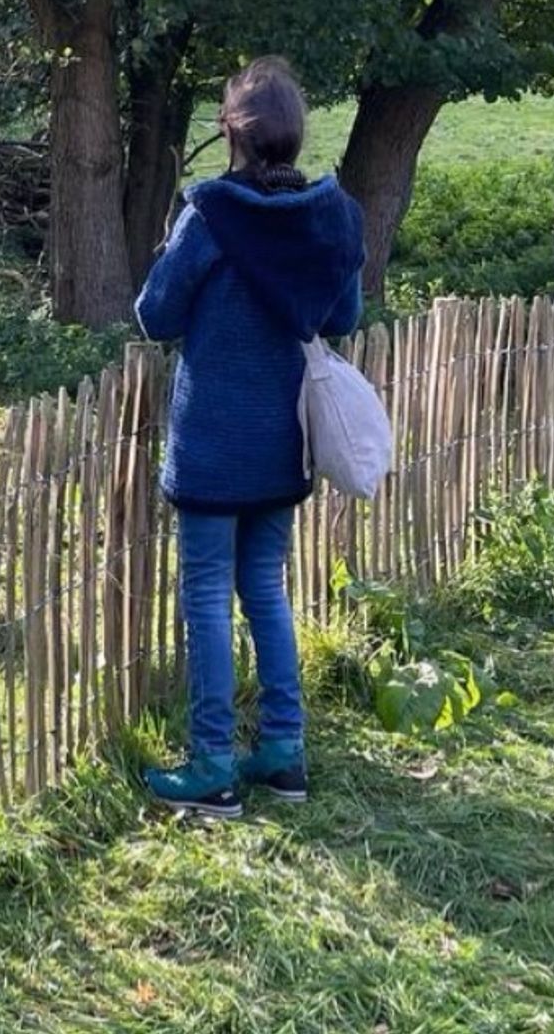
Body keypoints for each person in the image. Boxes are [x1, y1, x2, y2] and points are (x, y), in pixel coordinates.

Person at [134, 56, 364, 818]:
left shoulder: (209, 214)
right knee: (264, 587)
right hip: (281, 440)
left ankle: (212, 765)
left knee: (205, 592)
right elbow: (341, 318)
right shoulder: (331, 216)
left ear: (231, 131)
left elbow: (156, 316)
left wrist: (172, 248)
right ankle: (283, 752)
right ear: (295, 136)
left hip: (210, 443)